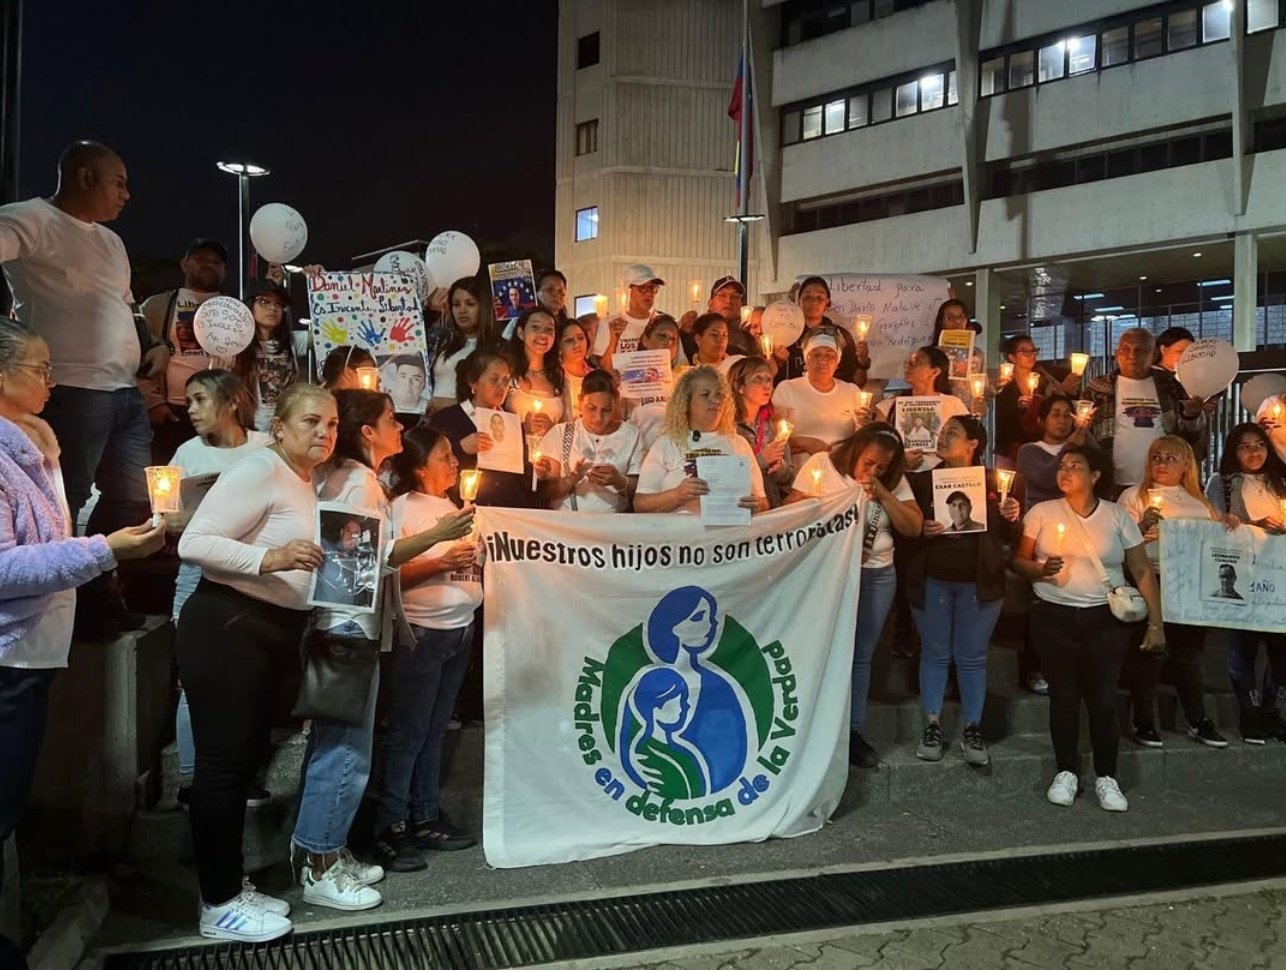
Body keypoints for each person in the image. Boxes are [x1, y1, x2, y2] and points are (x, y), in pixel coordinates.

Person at [0, 318, 164, 952]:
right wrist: (103, 550)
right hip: (8, 657)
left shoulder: (34, 445)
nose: (52, 380)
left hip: (33, 653)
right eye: (40, 368)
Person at [292, 389, 472, 910]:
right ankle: (319, 863)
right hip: (348, 628)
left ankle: (327, 849)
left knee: (342, 747)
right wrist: (438, 536)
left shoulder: (352, 479)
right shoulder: (357, 482)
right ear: (368, 431)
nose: (401, 427)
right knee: (345, 751)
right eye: (392, 419)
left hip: (351, 625)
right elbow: (353, 563)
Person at [176, 383, 337, 941]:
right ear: (280, 427)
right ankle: (218, 904)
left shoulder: (303, 479)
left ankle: (228, 883)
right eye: (312, 421)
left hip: (268, 630)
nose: (324, 432)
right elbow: (195, 543)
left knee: (240, 763)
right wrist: (271, 557)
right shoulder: (260, 469)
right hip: (228, 625)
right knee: (222, 768)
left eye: (332, 424)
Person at [0, 141, 168, 639]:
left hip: (124, 391)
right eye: (119, 183)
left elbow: (126, 304)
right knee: (63, 501)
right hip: (69, 391)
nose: (127, 195)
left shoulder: (112, 242)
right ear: (84, 177)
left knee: (132, 495)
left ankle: (97, 591)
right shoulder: (29, 219)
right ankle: (61, 605)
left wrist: (153, 344)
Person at [1012, 444, 1164, 813]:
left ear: (1095, 475)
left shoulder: (1116, 516)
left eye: (1075, 466)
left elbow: (1141, 569)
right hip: (1053, 616)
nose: (1065, 472)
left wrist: (1156, 623)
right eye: (1062, 466)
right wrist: (1038, 570)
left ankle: (1106, 776)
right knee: (1063, 696)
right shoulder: (1042, 512)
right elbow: (1019, 560)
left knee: (1103, 698)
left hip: (1103, 619)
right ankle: (1065, 771)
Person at [373, 427, 483, 872]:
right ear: (420, 468)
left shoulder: (454, 507)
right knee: (408, 734)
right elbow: (388, 573)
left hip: (459, 632)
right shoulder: (404, 508)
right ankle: (391, 824)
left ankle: (425, 815)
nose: (455, 463)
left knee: (434, 731)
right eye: (445, 456)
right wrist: (440, 562)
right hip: (421, 634)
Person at [784, 422, 921, 767]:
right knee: (822, 649)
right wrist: (814, 507)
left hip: (875, 574)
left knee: (860, 656)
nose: (872, 471)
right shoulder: (822, 465)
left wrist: (884, 494)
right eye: (868, 462)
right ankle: (810, 730)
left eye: (881, 467)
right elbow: (788, 513)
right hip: (828, 573)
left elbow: (913, 526)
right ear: (856, 450)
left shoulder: (892, 482)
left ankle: (853, 731)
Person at [168, 370, 272, 808]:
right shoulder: (186, 454)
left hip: (254, 580)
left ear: (230, 402)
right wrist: (172, 520)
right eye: (188, 400)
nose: (191, 409)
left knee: (250, 683)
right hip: (197, 576)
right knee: (195, 684)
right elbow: (164, 518)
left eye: (200, 399)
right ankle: (193, 778)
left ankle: (242, 774)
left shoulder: (265, 448)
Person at [901, 416, 1022, 766]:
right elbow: (905, 530)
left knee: (972, 657)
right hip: (932, 581)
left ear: (973, 444)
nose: (942, 437)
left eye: (951, 433)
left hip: (979, 585)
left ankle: (972, 728)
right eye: (941, 432)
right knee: (935, 653)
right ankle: (932, 725)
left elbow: (1009, 539)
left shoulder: (995, 482)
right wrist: (921, 528)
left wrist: (1011, 517)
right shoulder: (922, 482)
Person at [1118, 436, 1236, 748]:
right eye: (1156, 457)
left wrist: (1228, 524)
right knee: (1150, 652)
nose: (1162, 463)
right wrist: (1140, 527)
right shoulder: (1133, 496)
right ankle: (1143, 720)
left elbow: (1216, 542)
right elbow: (1116, 542)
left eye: (1171, 458)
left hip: (1191, 584)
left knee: (1188, 655)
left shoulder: (1200, 502)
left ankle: (1198, 719)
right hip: (1151, 578)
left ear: (1186, 465)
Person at [1205, 423, 1286, 743]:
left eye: (1260, 445)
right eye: (1245, 446)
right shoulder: (1222, 483)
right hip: (1243, 577)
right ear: (1233, 451)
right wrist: (1251, 524)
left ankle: (1272, 711)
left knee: (1281, 650)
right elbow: (1213, 524)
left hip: (1278, 578)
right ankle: (1248, 712)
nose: (1254, 452)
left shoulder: (1280, 482)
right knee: (1243, 648)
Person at [1083, 328, 1206, 497]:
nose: (1132, 355)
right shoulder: (1099, 388)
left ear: (1153, 354)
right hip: (1112, 482)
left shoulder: (1170, 386)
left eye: (1140, 350)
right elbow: (1084, 432)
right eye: (1126, 349)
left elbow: (1190, 436)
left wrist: (1191, 415)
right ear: (1116, 354)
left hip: (1162, 482)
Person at [139, 239, 228, 461]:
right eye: (201, 259)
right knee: (168, 476)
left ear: (224, 270)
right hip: (170, 413)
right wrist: (153, 403)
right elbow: (134, 356)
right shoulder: (155, 306)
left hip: (217, 414)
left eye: (216, 262)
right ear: (184, 264)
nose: (208, 265)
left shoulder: (235, 311)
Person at [635, 366, 767, 515]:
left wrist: (757, 505)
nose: (715, 400)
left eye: (719, 394)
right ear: (686, 403)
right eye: (705, 395)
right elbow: (640, 504)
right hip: (680, 528)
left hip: (730, 528)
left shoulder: (739, 443)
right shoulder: (666, 444)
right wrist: (678, 495)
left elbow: (763, 501)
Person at [430, 348, 536, 508]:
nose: (502, 386)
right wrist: (459, 449)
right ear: (473, 382)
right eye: (494, 379)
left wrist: (537, 471)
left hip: (507, 512)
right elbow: (428, 468)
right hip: (462, 511)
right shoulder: (445, 421)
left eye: (506, 380)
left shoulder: (513, 424)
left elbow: (522, 479)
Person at [536, 369, 642, 512]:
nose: (598, 417)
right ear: (580, 402)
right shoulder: (560, 433)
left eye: (606, 410)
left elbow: (640, 491)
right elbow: (547, 490)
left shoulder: (631, 435)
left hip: (614, 521)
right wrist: (570, 480)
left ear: (615, 403)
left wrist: (618, 480)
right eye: (591, 408)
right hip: (567, 520)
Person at [771, 331, 867, 470]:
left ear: (838, 362)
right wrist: (805, 443)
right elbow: (773, 439)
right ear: (806, 358)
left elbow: (861, 441)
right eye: (815, 354)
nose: (822, 361)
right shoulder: (787, 389)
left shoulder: (851, 391)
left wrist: (865, 427)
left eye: (829, 355)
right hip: (799, 472)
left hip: (840, 472)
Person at [876, 346, 969, 471]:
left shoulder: (953, 404)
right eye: (909, 362)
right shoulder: (888, 406)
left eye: (918, 361)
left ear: (935, 372)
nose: (909, 366)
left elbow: (966, 442)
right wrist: (899, 460)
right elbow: (878, 446)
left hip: (942, 475)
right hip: (901, 475)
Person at [993, 334, 1081, 463]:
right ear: (1012, 357)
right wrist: (1018, 408)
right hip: (1012, 444)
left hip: (1040, 444)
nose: (1032, 355)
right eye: (1025, 352)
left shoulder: (1044, 378)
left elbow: (1057, 405)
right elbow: (1001, 416)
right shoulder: (1004, 382)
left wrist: (1061, 392)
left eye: (1034, 351)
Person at [426, 277, 501, 413]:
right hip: (432, 419)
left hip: (471, 420)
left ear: (483, 306)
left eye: (470, 304)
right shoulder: (441, 339)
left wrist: (450, 406)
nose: (462, 310)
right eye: (456, 304)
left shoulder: (498, 347)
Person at [775, 277, 867, 385]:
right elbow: (769, 380)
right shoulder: (783, 335)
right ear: (799, 301)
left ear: (828, 302)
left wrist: (863, 362)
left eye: (819, 297)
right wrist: (777, 361)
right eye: (807, 297)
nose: (814, 302)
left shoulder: (841, 337)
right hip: (792, 394)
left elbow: (856, 383)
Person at [232, 281, 297, 431]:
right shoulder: (235, 345)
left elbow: (325, 334)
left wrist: (321, 280)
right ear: (250, 305)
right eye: (264, 301)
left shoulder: (292, 342)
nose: (273, 308)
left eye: (278, 304)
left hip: (285, 429)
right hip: (248, 429)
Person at [729, 356, 793, 508]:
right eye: (758, 379)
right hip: (744, 509)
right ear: (739, 386)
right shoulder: (728, 428)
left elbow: (789, 478)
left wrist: (779, 466)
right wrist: (762, 460)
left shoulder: (775, 424)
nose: (767, 385)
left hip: (772, 510)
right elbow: (726, 477)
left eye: (769, 379)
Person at [1016, 396, 1096, 508]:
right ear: (1041, 421)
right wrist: (1068, 446)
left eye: (1067, 416)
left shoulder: (1080, 448)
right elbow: (1046, 480)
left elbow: (1101, 466)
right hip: (1042, 512)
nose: (1062, 421)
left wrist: (1083, 431)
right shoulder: (1029, 450)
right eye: (1056, 415)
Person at [624, 316, 685, 453]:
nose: (668, 342)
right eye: (662, 336)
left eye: (673, 339)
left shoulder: (684, 379)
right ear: (645, 340)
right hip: (639, 452)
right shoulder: (628, 378)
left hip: (675, 452)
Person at [505, 307, 565, 439]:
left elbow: (569, 430)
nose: (543, 334)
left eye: (549, 329)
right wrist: (522, 428)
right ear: (521, 333)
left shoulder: (559, 377)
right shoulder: (507, 374)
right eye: (535, 327)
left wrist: (553, 430)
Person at [594, 265, 666, 365]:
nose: (649, 294)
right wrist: (613, 340)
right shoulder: (609, 323)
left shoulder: (663, 323)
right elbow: (604, 368)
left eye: (652, 288)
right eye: (642, 288)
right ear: (627, 291)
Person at [557, 317, 593, 407]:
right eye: (569, 340)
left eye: (581, 338)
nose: (577, 344)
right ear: (559, 347)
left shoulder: (595, 376)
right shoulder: (554, 378)